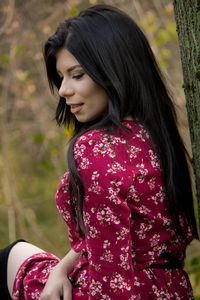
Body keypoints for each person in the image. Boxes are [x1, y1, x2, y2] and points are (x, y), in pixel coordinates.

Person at [0, 4, 198, 300]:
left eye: (77, 75)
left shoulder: (96, 149)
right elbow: (119, 238)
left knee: (8, 257)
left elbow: (111, 284)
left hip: (114, 291)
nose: (64, 90)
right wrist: (62, 268)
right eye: (61, 77)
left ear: (113, 70)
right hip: (172, 289)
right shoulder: (157, 134)